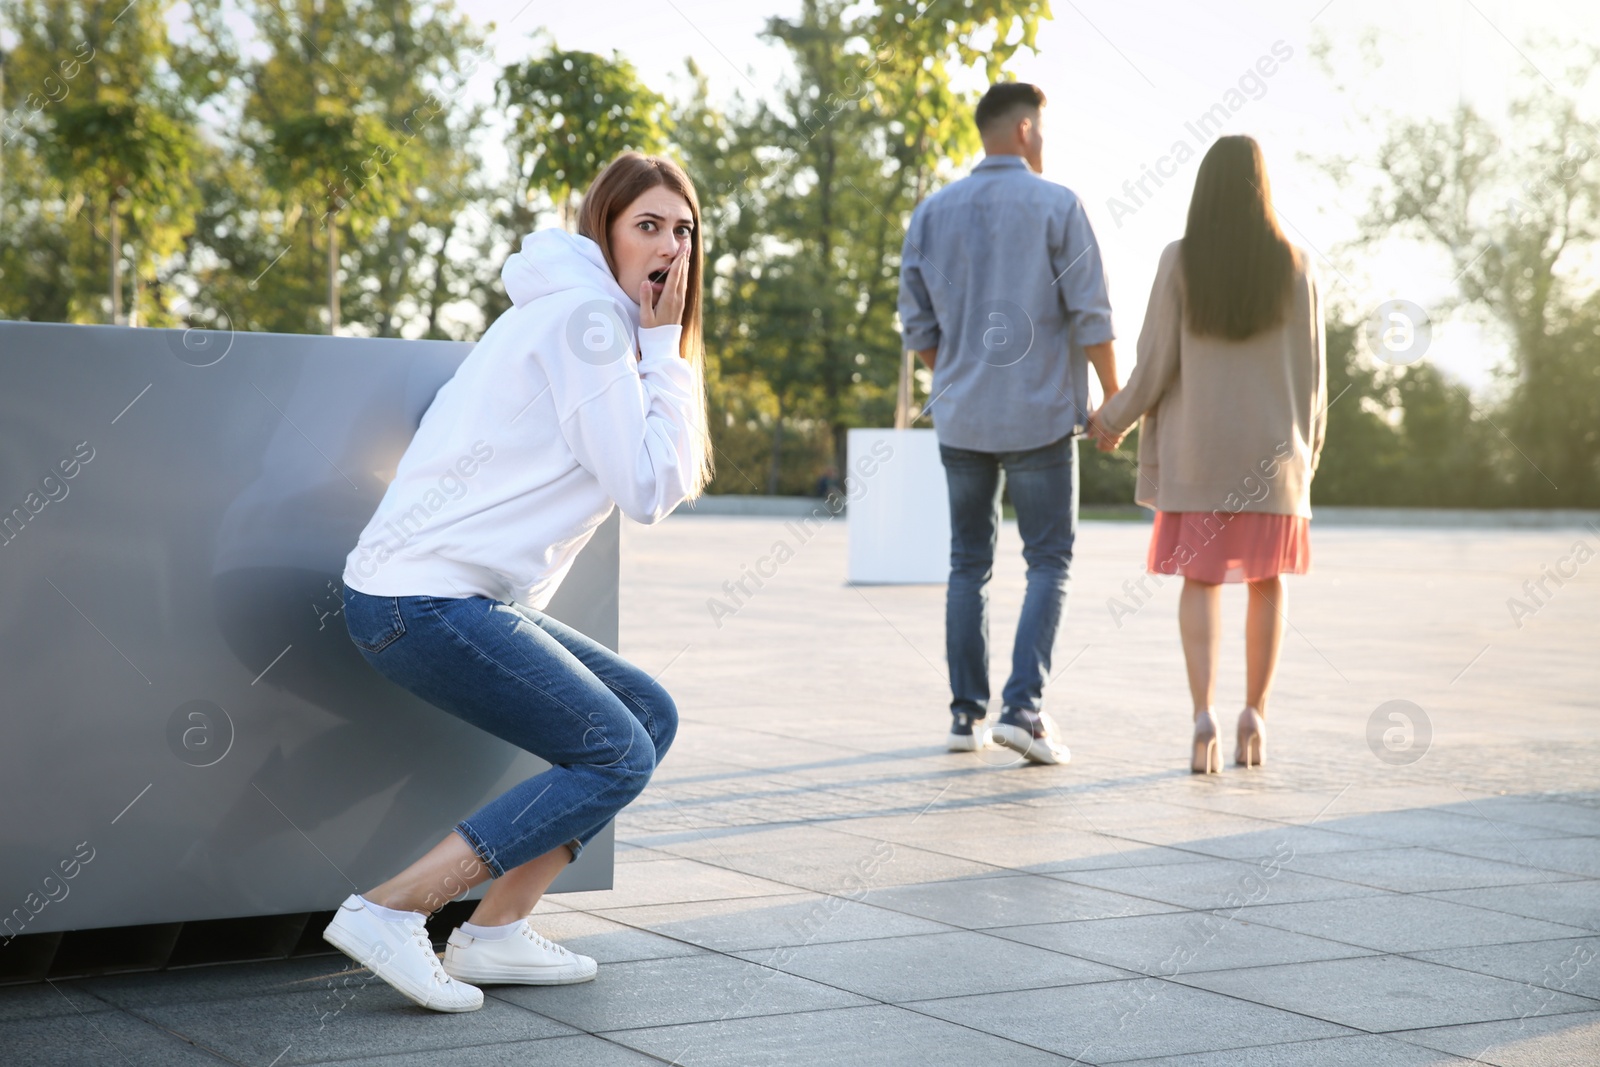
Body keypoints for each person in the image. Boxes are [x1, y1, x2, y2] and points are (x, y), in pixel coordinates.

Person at [326, 152, 714, 1011]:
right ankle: (395, 909)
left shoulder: (579, 316)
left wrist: (655, 349)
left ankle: (495, 932)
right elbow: (650, 488)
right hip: (420, 600)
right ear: (605, 232)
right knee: (614, 748)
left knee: (649, 713)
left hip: (447, 595)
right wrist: (663, 347)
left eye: (683, 229)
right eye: (647, 225)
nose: (670, 246)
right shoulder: (591, 323)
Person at [1088, 135, 1326, 775]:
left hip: (1199, 457)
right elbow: (1315, 381)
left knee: (1200, 581)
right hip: (1276, 463)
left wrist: (1109, 420)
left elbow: (1155, 363)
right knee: (1266, 582)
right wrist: (1306, 465)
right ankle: (1256, 716)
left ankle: (1203, 720)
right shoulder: (1299, 266)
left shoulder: (1179, 260)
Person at [898, 81, 1120, 766]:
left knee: (968, 563)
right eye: (1044, 130)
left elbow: (916, 323)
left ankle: (967, 717)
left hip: (962, 418)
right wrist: (1113, 399)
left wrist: (956, 375)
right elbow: (1091, 312)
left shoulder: (933, 212)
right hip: (1043, 417)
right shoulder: (1059, 205)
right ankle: (1023, 710)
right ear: (1024, 129)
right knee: (1048, 560)